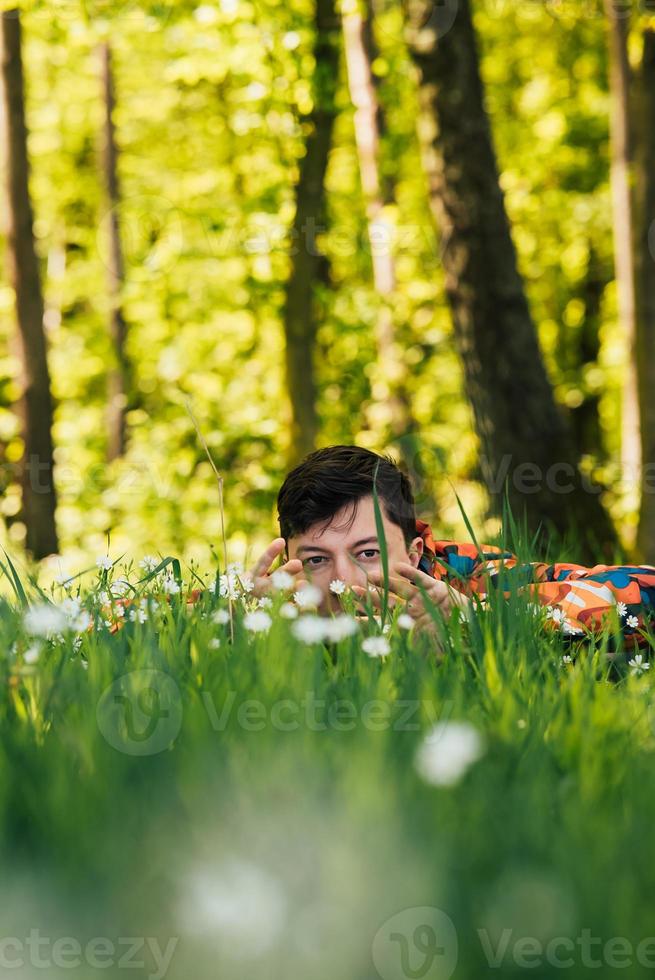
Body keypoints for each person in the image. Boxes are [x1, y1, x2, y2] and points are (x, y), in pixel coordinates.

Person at [248, 445, 655, 647]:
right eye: (317, 559)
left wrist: (477, 622)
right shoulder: (274, 597)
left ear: (413, 553)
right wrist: (249, 619)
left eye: (368, 553)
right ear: (288, 564)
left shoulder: (468, 575)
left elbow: (644, 585)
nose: (345, 578)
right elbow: (189, 609)